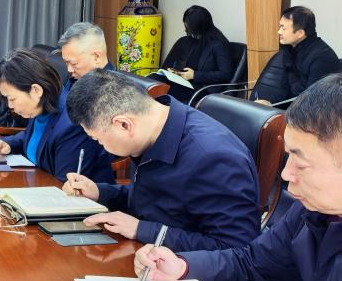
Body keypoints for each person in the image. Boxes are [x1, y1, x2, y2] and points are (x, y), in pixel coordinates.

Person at [134, 74, 342, 281]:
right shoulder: (314, 211)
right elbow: (253, 266)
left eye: (301, 163)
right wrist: (183, 266)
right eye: (287, 157)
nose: (286, 176)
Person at [62, 68, 260, 251]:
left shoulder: (214, 158)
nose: (100, 145)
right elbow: (155, 200)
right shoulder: (154, 128)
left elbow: (235, 251)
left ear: (124, 125)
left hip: (188, 270)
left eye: (97, 138)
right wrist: (100, 192)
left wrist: (141, 229)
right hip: (150, 254)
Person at [0, 48, 114, 183]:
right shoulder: (41, 107)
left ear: (36, 90)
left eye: (12, 98)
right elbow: (35, 137)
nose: (10, 105)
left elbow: (64, 184)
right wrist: (8, 143)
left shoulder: (72, 125)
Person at [254, 6, 338, 106]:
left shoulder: (322, 58)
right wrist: (271, 103)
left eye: (283, 28)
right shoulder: (290, 50)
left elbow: (315, 101)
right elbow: (286, 89)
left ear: (300, 33)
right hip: (295, 108)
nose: (279, 32)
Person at [156, 5, 233, 102]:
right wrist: (174, 71)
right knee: (153, 83)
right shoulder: (186, 41)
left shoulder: (218, 44)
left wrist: (195, 75)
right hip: (183, 83)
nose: (186, 30)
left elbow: (225, 74)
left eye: (189, 28)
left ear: (199, 26)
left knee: (164, 94)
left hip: (202, 89)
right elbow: (168, 64)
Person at [56, 22, 116, 109]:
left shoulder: (111, 96)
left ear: (96, 57)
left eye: (74, 64)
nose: (69, 69)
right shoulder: (77, 77)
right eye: (66, 62)